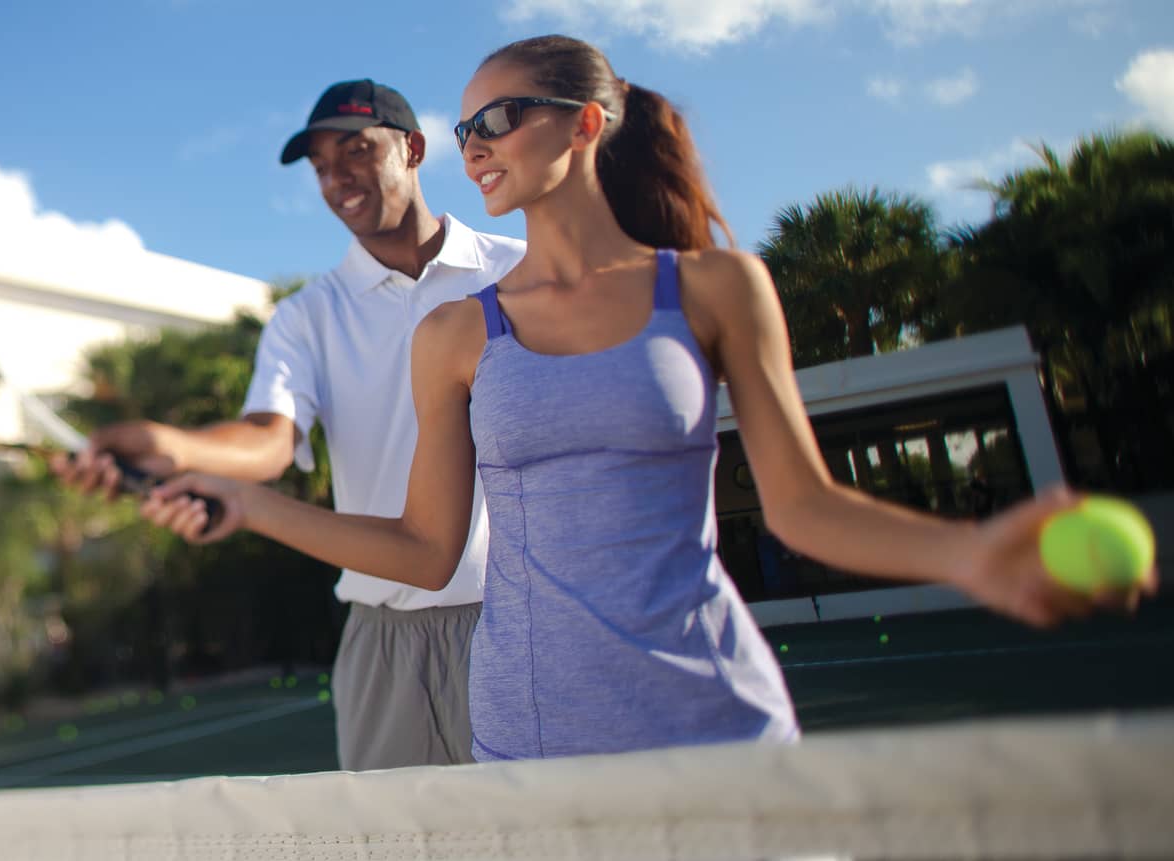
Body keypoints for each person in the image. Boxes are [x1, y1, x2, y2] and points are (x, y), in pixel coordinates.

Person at [140, 35, 1155, 762]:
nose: (477, 143)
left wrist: (975, 554)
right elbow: (423, 550)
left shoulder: (716, 287)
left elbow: (803, 507)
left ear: (586, 123)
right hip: (528, 727)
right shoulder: (453, 333)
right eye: (466, 128)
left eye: (499, 118)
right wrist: (251, 504)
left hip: (711, 707)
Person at [53, 79, 526, 770]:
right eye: (321, 166)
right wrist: (169, 446)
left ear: (414, 149)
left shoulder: (518, 272)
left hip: (520, 619)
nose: (337, 178)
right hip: (382, 637)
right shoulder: (308, 316)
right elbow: (269, 441)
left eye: (357, 150)